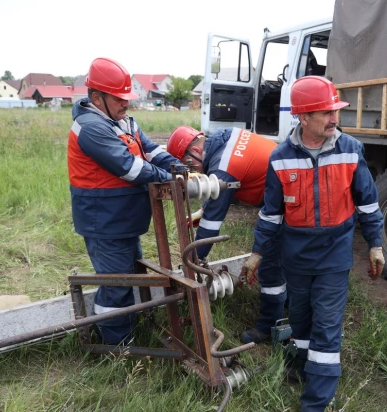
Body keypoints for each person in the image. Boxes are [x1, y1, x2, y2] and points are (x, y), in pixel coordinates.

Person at [241, 76, 385, 411]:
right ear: (303, 118)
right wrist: (257, 253)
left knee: (326, 327)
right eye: (326, 112)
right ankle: (302, 370)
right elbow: (271, 214)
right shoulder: (279, 158)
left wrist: (375, 244)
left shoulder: (351, 149)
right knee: (302, 322)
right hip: (297, 257)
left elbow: (368, 203)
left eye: (336, 110)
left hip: (334, 255)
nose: (335, 118)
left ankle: (315, 402)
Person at [67, 57, 183, 345]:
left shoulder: (123, 121)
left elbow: (151, 151)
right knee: (117, 286)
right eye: (119, 98)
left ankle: (126, 331)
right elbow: (130, 168)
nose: (126, 103)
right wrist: (168, 179)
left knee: (129, 277)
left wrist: (177, 167)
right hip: (105, 222)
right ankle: (116, 348)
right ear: (97, 97)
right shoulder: (91, 127)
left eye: (127, 97)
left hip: (124, 220)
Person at [167, 126, 285, 344]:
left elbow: (212, 227)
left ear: (195, 149)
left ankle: (270, 326)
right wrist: (203, 210)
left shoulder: (224, 167)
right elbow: (227, 184)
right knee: (288, 262)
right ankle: (289, 309)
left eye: (189, 163)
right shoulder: (226, 137)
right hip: (289, 196)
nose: (193, 170)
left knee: (270, 268)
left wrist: (192, 262)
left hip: (287, 207)